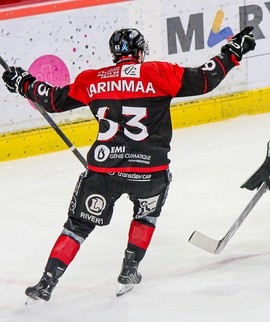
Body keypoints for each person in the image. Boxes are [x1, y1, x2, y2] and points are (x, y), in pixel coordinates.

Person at [2, 26, 256, 301]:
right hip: (150, 172)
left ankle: (46, 283)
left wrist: (22, 82)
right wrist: (233, 51)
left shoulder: (92, 80)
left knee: (77, 226)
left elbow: (53, 100)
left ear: (114, 54)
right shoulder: (159, 73)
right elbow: (207, 79)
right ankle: (129, 270)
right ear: (139, 52)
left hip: (104, 171)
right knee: (145, 215)